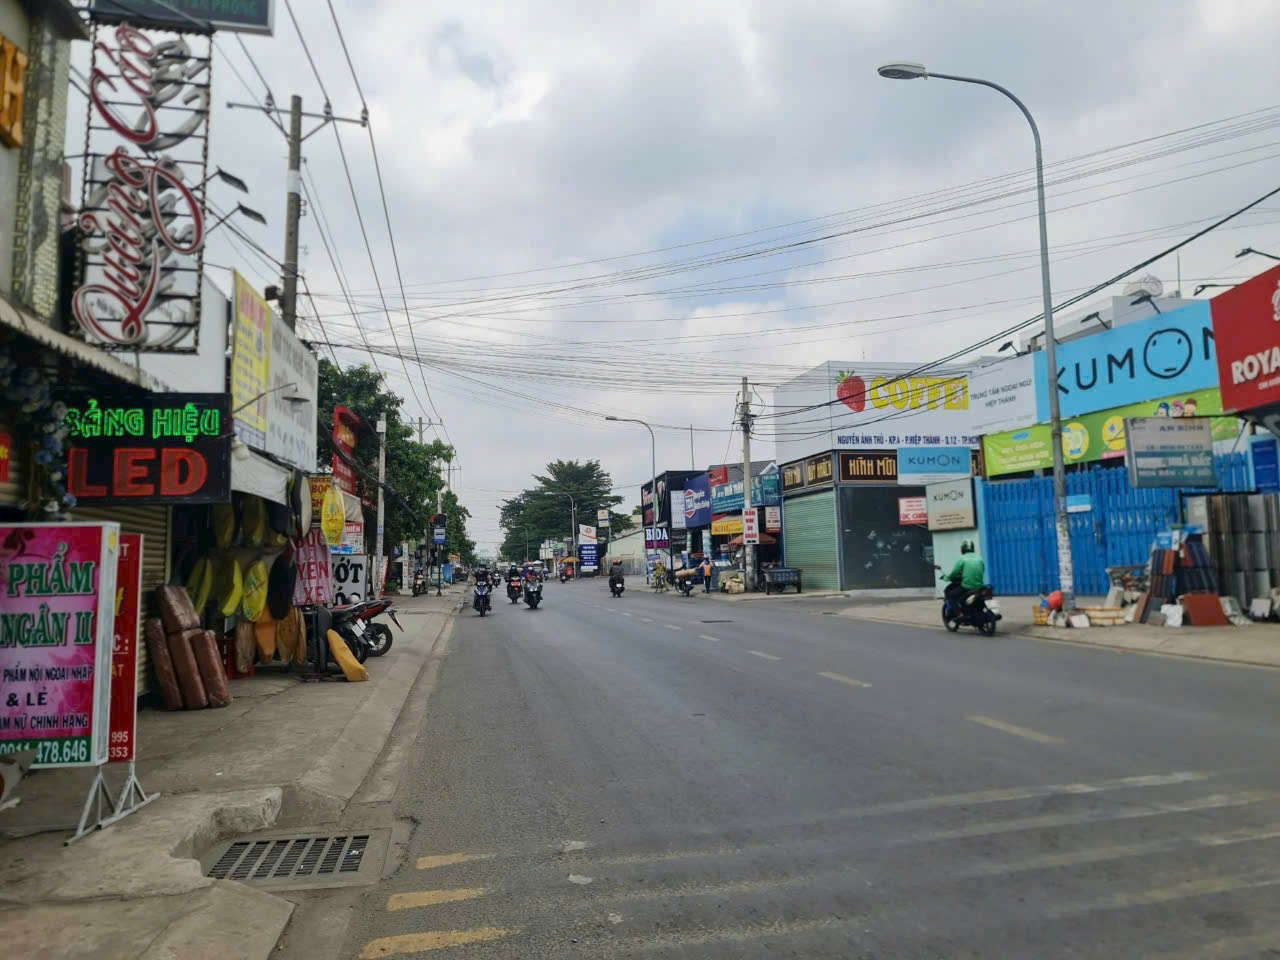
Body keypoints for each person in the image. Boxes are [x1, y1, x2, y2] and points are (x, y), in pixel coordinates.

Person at [943, 540, 985, 614]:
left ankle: (959, 614)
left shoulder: (962, 558)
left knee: (950, 595)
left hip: (967, 586)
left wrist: (947, 578)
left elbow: (954, 572)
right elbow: (983, 570)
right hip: (979, 587)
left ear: (962, 549)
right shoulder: (979, 558)